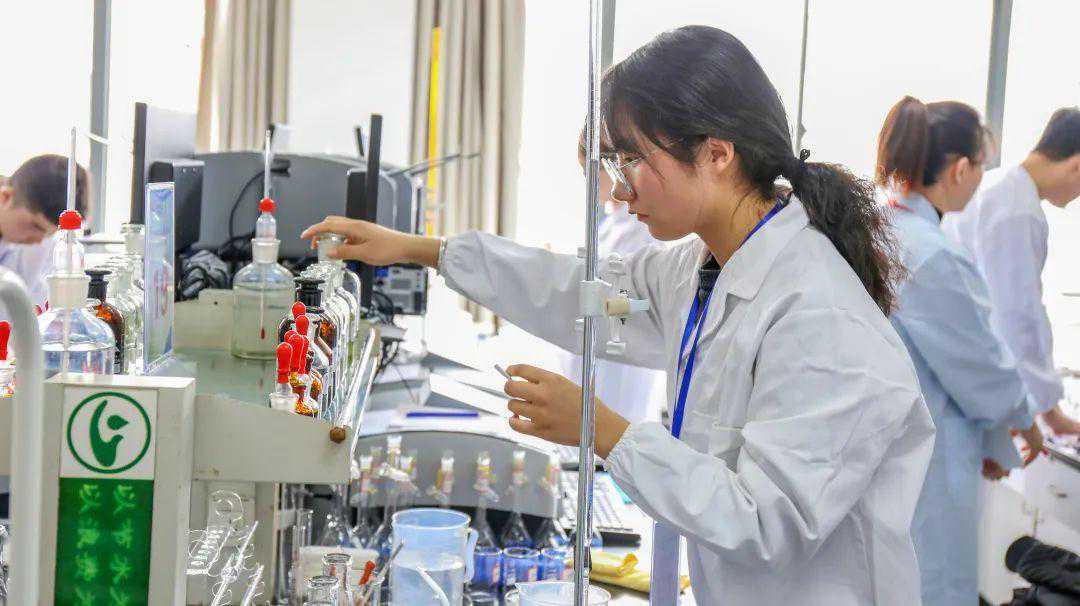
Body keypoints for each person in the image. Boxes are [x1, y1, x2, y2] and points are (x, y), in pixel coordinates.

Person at [306, 26, 935, 604]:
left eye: (630, 160)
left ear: (717, 153)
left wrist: (600, 427)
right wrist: (419, 249)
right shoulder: (706, 267)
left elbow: (767, 523)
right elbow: (578, 291)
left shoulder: (820, 315)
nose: (618, 188)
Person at [877, 96, 1045, 606]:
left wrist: (994, 442)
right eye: (980, 168)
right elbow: (981, 369)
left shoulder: (884, 230)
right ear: (959, 169)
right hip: (928, 459)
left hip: (886, 450)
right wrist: (1025, 423)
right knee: (936, 581)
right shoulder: (934, 254)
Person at [943, 107, 1080, 436]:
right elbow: (1018, 315)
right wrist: (1050, 412)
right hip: (972, 387)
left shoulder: (998, 185)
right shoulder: (1019, 210)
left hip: (959, 375)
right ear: (1076, 166)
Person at [556, 132, 666, 424]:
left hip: (619, 379)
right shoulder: (608, 226)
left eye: (590, 172)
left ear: (613, 166)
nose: (587, 182)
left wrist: (584, 298)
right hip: (593, 370)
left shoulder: (642, 233)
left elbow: (634, 305)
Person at [0, 154, 89, 307]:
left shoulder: (38, 244)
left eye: (49, 233)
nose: (39, 240)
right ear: (6, 197)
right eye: (35, 226)